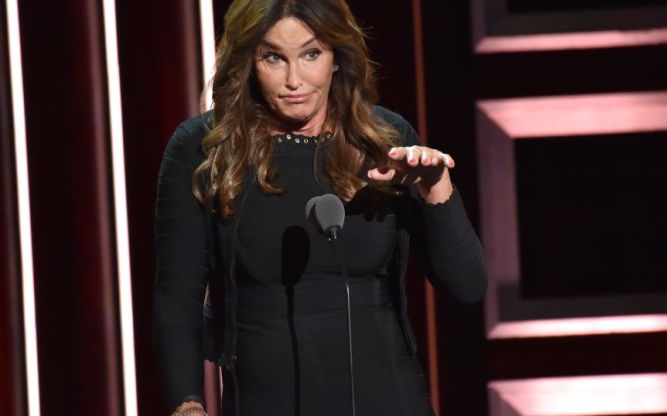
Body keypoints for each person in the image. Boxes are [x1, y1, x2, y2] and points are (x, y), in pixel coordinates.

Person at [152, 0, 487, 415]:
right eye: (274, 57)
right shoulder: (203, 150)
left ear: (336, 57)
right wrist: (188, 405)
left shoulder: (384, 141)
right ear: (248, 62)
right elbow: (176, 303)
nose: (295, 80)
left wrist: (436, 187)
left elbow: (468, 288)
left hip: (389, 399)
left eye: (311, 54)